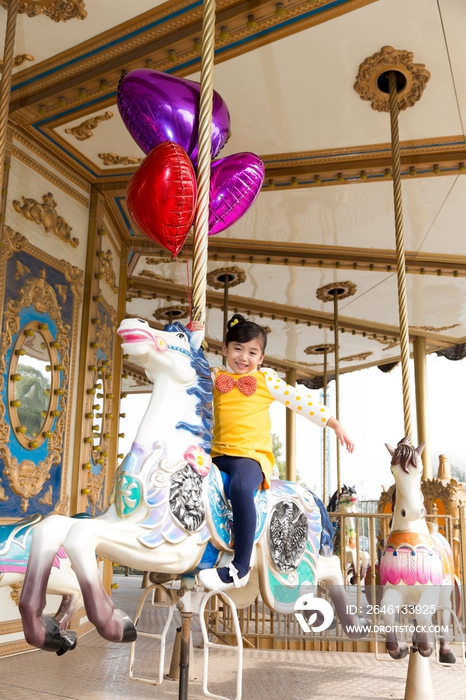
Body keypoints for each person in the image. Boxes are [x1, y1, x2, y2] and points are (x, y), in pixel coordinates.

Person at [192, 314, 354, 591]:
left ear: (262, 358)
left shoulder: (265, 380)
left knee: (242, 489)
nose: (244, 357)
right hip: (217, 456)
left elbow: (300, 400)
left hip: (250, 457)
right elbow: (188, 372)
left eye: (252, 352)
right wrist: (194, 337)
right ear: (225, 350)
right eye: (237, 349)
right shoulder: (217, 377)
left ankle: (240, 567)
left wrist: (333, 422)